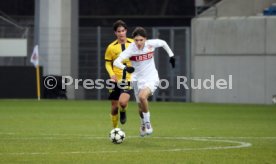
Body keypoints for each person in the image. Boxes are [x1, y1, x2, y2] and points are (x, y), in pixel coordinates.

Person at [114, 27, 175, 136]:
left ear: (145, 39)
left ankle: (147, 123)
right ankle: (142, 123)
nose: (138, 42)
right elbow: (116, 62)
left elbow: (163, 43)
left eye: (141, 40)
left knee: (143, 97)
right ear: (133, 40)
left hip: (151, 78)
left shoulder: (151, 44)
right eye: (136, 40)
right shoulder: (131, 49)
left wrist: (171, 56)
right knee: (140, 107)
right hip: (137, 80)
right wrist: (125, 68)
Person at [104, 20, 133, 128]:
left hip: (129, 78)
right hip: (115, 78)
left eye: (123, 31)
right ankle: (115, 129)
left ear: (126, 31)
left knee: (123, 103)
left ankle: (123, 110)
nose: (121, 33)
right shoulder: (111, 47)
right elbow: (107, 63)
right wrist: (111, 75)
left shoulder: (133, 44)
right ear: (115, 33)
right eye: (118, 31)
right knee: (114, 106)